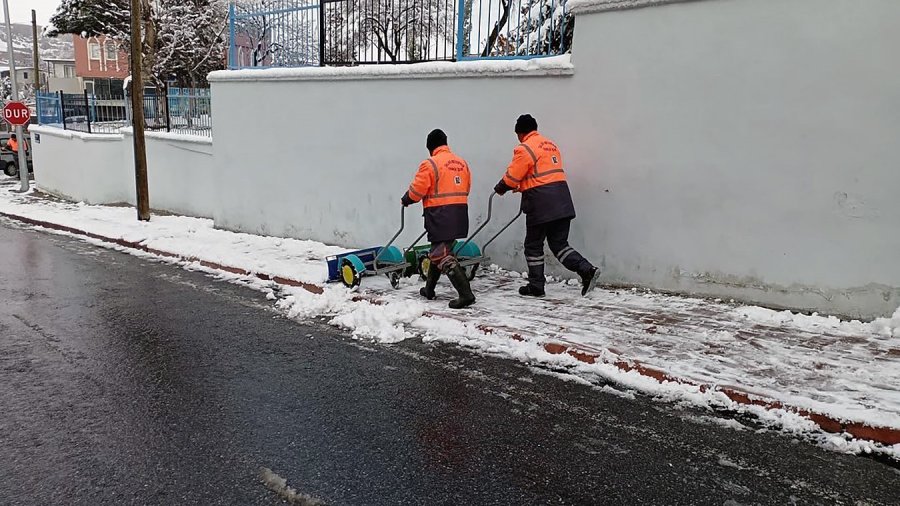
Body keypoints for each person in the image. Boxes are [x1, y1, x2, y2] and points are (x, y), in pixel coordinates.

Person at [493, 114, 600, 297]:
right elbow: (542, 175)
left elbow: (512, 176)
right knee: (559, 245)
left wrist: (501, 187)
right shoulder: (550, 145)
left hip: (541, 204)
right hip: (562, 200)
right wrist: (525, 186)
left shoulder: (524, 148)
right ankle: (586, 270)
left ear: (520, 132)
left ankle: (536, 286)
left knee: (533, 246)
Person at [401, 129, 476, 309]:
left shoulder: (430, 164)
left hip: (441, 214)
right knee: (439, 250)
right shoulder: (461, 162)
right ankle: (429, 290)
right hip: (459, 211)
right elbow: (467, 186)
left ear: (430, 147)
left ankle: (466, 294)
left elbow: (418, 189)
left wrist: (407, 199)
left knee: (439, 254)